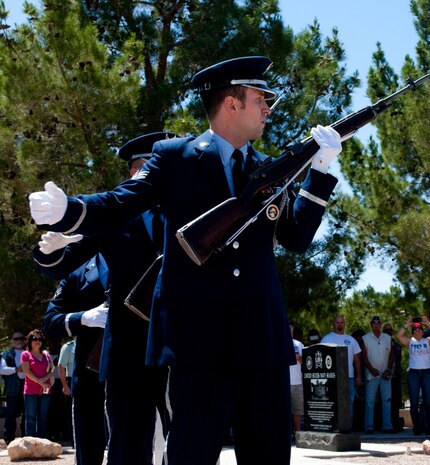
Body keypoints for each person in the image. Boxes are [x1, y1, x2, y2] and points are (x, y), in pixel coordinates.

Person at [30, 55, 341, 465]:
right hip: (200, 347)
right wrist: (70, 210)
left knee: (268, 455)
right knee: (191, 454)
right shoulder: (176, 157)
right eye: (260, 98)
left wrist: (320, 172)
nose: (268, 107)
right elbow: (121, 203)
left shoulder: (267, 170)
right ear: (232, 103)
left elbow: (296, 237)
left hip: (262, 343)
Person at [33, 132, 176, 465]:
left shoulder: (184, 212)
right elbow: (59, 266)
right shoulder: (118, 216)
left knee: (186, 439)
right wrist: (52, 247)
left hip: (175, 344)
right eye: (148, 170)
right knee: (127, 443)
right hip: (128, 349)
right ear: (136, 174)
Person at [40, 254, 109, 465]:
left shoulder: (147, 251)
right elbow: (50, 321)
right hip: (91, 374)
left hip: (138, 371)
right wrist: (84, 318)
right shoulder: (80, 270)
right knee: (88, 451)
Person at [396, 316, 430, 436]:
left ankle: (429, 427)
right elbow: (399, 336)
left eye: (419, 329)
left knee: (429, 401)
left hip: (426, 373)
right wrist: (407, 323)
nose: (417, 331)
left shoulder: (427, 341)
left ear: (422, 330)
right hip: (414, 373)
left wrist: (427, 323)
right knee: (414, 402)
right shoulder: (410, 341)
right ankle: (417, 427)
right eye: (415, 329)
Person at [322, 316, 363, 429]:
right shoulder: (326, 339)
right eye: (337, 322)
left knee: (349, 402)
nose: (339, 325)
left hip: (349, 377)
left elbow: (357, 359)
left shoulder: (351, 339)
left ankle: (347, 428)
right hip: (333, 378)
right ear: (333, 324)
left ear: (344, 324)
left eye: (342, 322)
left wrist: (358, 376)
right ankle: (334, 427)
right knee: (334, 402)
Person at [361, 315, 394, 434]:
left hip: (385, 374)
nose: (376, 324)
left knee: (387, 400)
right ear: (371, 325)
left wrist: (389, 369)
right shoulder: (365, 338)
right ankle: (369, 426)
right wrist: (371, 369)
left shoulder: (387, 338)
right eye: (374, 322)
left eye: (378, 322)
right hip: (372, 374)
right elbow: (364, 356)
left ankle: (387, 426)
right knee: (369, 401)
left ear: (381, 324)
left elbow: (392, 354)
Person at [20, 329, 54, 438]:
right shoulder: (25, 354)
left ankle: (42, 442)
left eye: (39, 339)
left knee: (43, 417)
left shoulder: (46, 355)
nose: (37, 341)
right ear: (30, 341)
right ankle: (31, 443)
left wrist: (44, 381)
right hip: (30, 390)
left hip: (46, 389)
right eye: (34, 339)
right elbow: (27, 372)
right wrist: (41, 382)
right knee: (30, 417)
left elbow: (52, 370)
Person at [1, 332, 27, 443]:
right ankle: (9, 440)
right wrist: (17, 369)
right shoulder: (6, 354)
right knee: (10, 414)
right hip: (12, 388)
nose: (19, 341)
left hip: (27, 386)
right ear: (12, 341)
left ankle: (26, 438)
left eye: (22, 338)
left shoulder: (29, 353)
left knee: (27, 414)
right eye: (16, 339)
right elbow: (2, 370)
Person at [382, 323, 404, 432]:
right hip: (383, 377)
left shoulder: (397, 345)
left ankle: (395, 424)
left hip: (395, 377)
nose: (389, 332)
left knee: (395, 402)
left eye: (390, 330)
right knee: (385, 401)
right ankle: (384, 424)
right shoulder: (380, 344)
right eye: (386, 330)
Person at [57, 338, 75, 445]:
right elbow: (61, 366)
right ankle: (74, 441)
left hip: (91, 381)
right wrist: (65, 385)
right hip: (72, 380)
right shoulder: (68, 347)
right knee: (73, 413)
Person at [289, 324, 304, 437]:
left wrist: (299, 358)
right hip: (282, 383)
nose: (289, 332)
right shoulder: (278, 343)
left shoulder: (299, 345)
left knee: (297, 411)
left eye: (290, 330)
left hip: (297, 382)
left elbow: (306, 363)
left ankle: (298, 433)